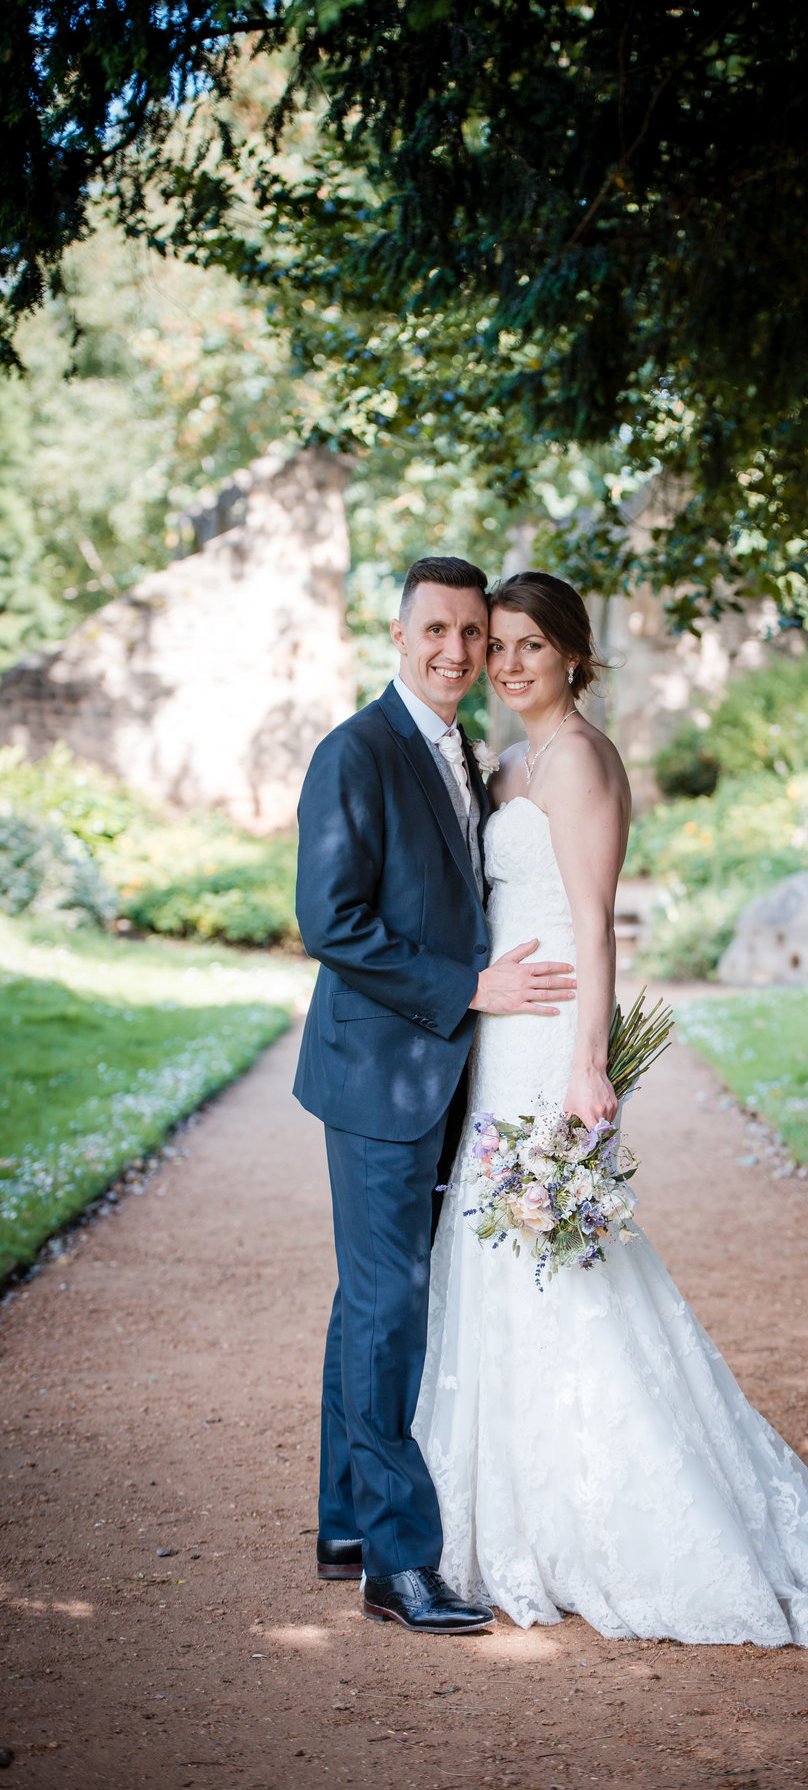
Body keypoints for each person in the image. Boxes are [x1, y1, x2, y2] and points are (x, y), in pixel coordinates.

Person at [413, 569, 808, 1646]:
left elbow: (595, 926)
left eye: (533, 645)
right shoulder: (509, 762)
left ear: (574, 655)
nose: (512, 663)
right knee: (500, 1260)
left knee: (563, 1267)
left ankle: (618, 1518)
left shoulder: (577, 760)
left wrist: (587, 1068)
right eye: (502, 646)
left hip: (549, 1046)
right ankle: (513, 1503)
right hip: (497, 1040)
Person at [293, 555, 576, 1635]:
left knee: (369, 1300)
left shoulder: (454, 745)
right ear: (399, 633)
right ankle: (399, 1564)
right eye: (439, 631)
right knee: (386, 1305)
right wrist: (469, 988)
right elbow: (333, 921)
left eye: (475, 631)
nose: (459, 651)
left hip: (443, 1069)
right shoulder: (355, 751)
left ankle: (346, 1524)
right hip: (379, 1074)